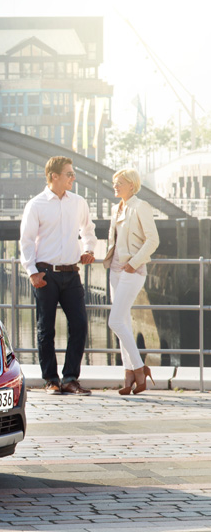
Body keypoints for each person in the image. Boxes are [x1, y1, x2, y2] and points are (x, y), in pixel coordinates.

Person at [20, 156, 97, 395]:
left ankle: (70, 378)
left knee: (80, 325)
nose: (73, 177)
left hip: (72, 273)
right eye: (69, 174)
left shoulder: (78, 202)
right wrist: (32, 272)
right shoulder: (36, 204)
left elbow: (88, 230)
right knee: (46, 329)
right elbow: (26, 241)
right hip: (46, 274)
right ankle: (51, 380)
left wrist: (88, 249)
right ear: (54, 176)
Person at [104, 168, 159, 395]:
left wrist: (134, 263)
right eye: (114, 182)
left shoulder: (140, 207)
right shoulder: (116, 208)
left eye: (119, 182)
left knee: (115, 321)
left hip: (132, 271)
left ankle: (139, 367)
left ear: (131, 185)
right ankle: (128, 374)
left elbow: (153, 240)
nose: (115, 186)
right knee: (123, 321)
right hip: (115, 271)